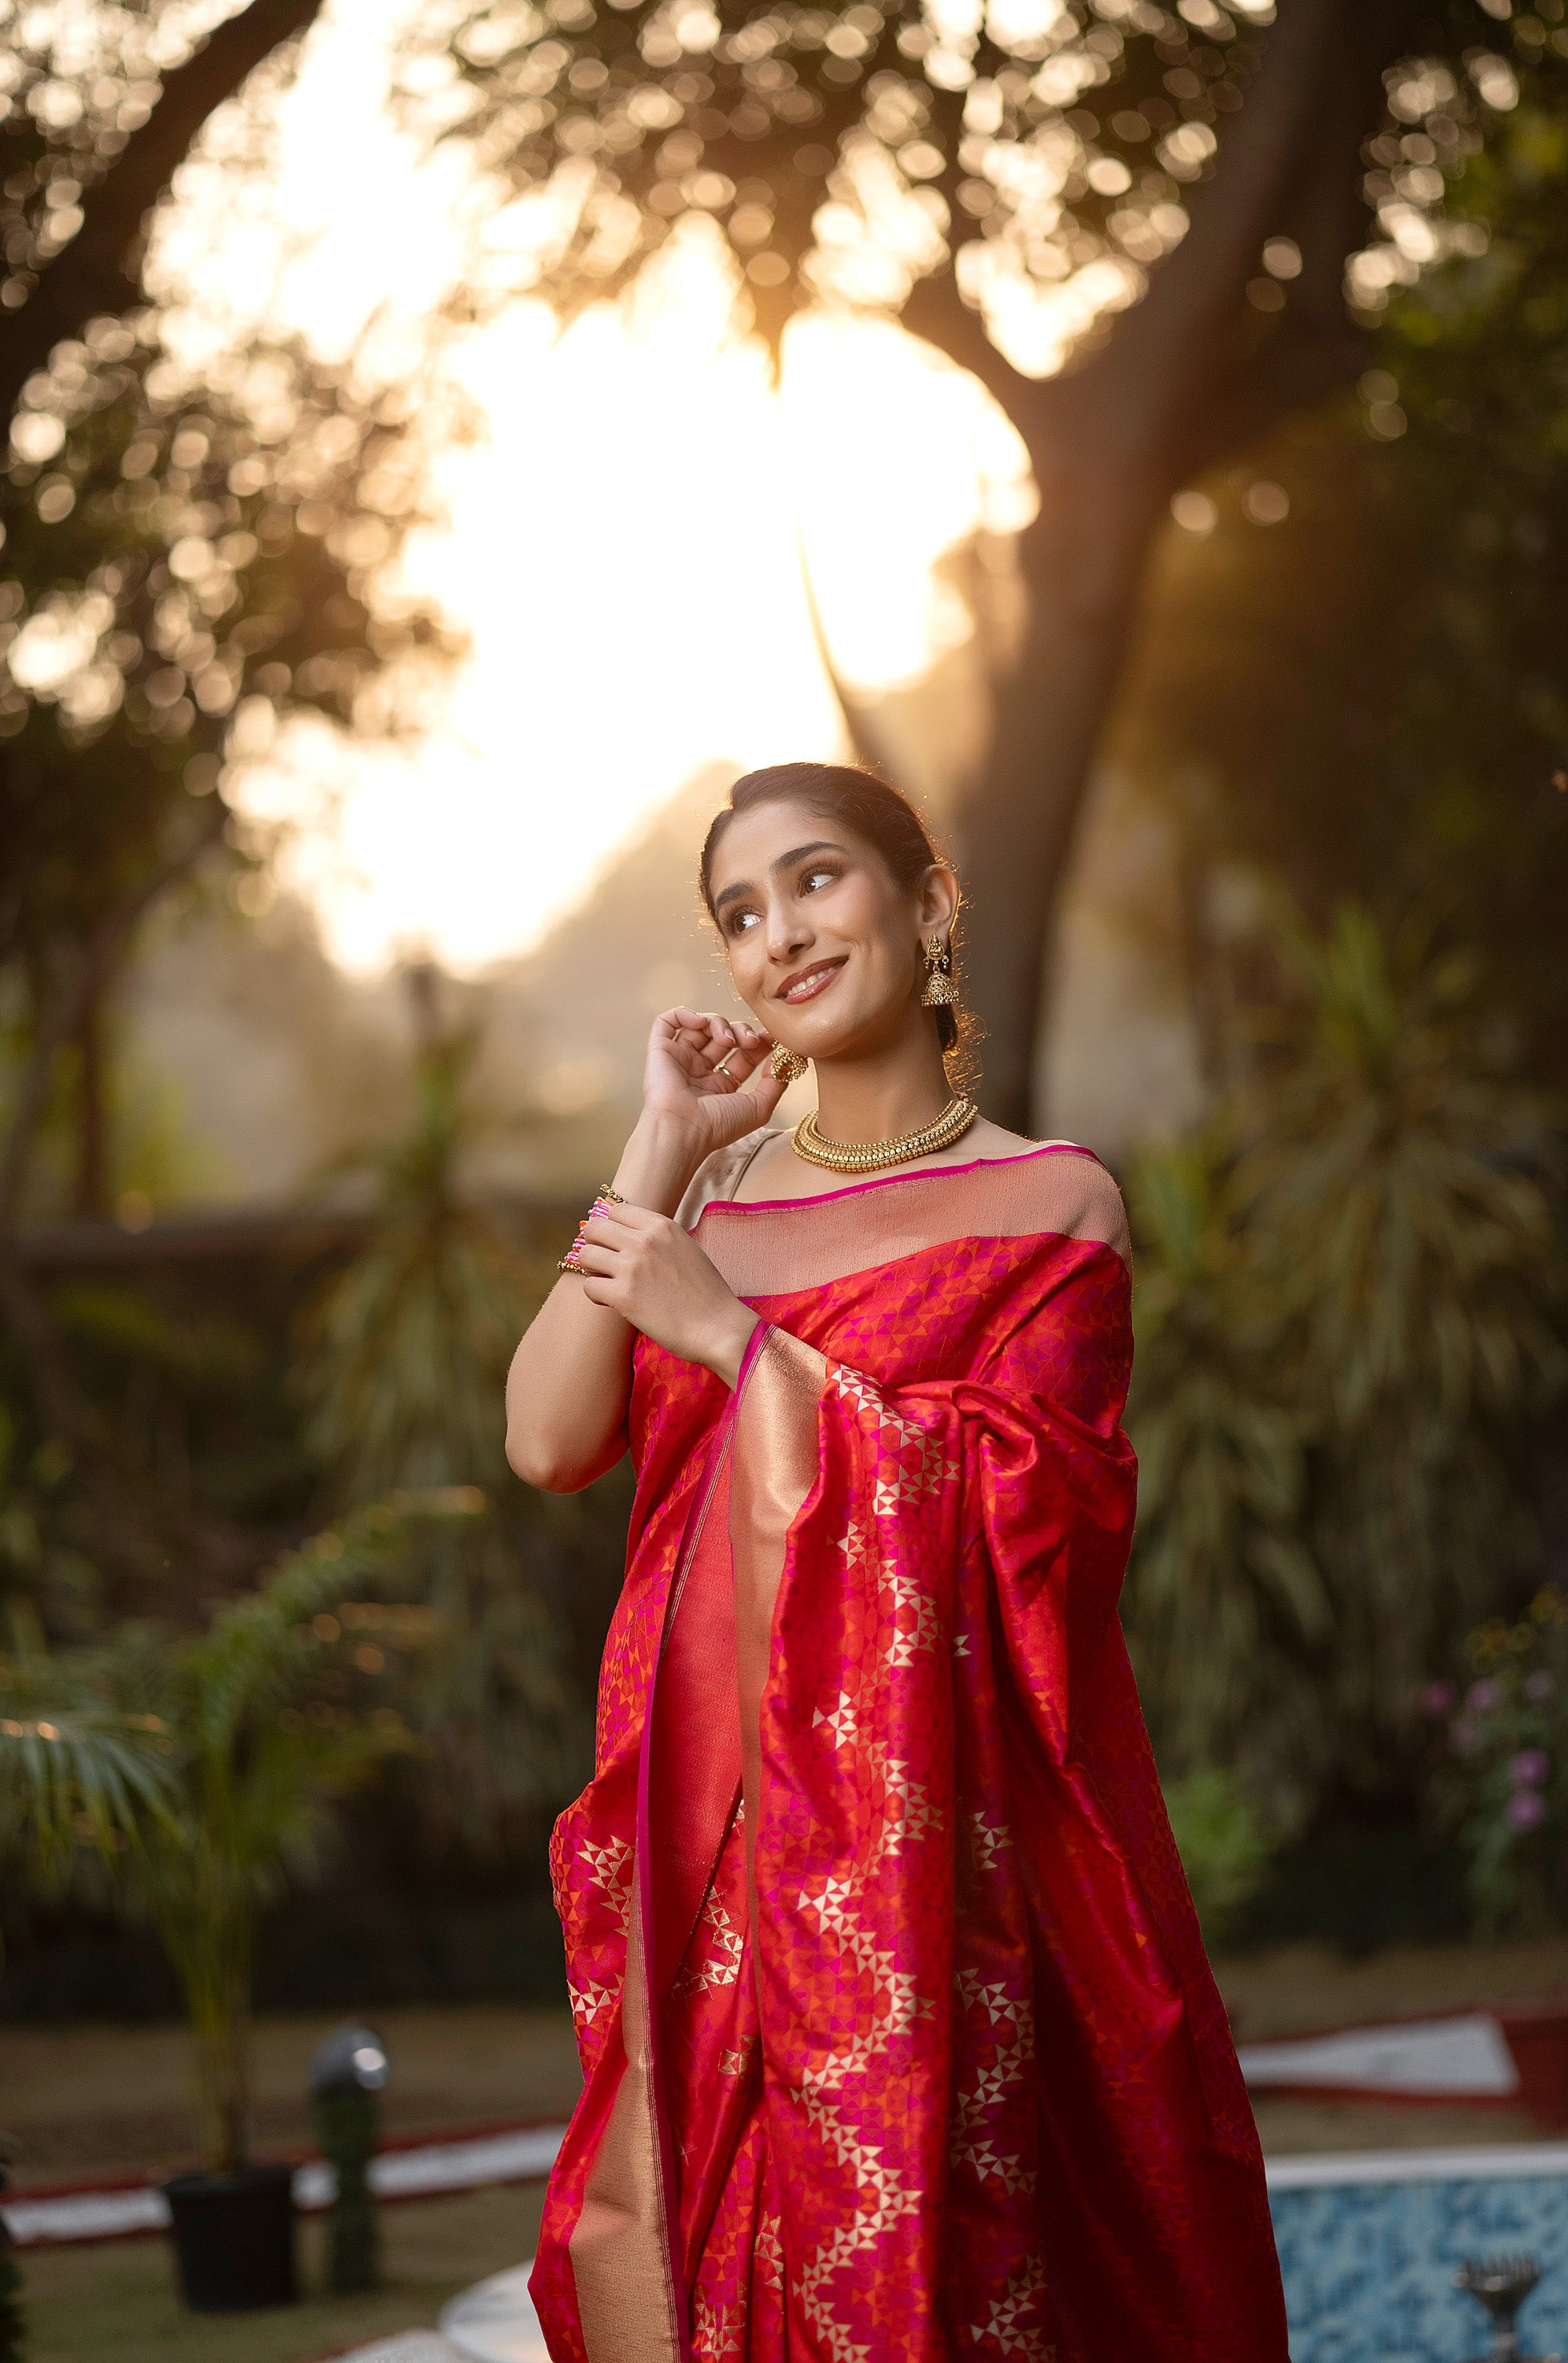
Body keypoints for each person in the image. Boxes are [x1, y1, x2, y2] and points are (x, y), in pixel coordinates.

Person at [506, 762, 1288, 2363]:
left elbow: (1034, 1528)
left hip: (944, 1860)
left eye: (815, 882)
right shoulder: (704, 1210)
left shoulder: (1049, 1204)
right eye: (738, 913)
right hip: (715, 1845)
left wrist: (737, 1349)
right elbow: (543, 1437)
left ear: (926, 906)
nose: (778, 935)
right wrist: (664, 1143)